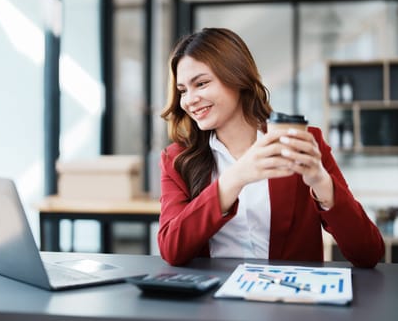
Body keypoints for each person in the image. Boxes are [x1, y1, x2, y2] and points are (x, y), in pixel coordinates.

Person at [158, 27, 384, 268]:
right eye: (183, 90)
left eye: (201, 84)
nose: (189, 100)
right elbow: (172, 249)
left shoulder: (302, 143)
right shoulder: (177, 159)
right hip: (213, 299)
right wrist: (234, 179)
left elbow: (369, 252)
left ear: (237, 77)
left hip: (288, 299)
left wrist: (322, 182)